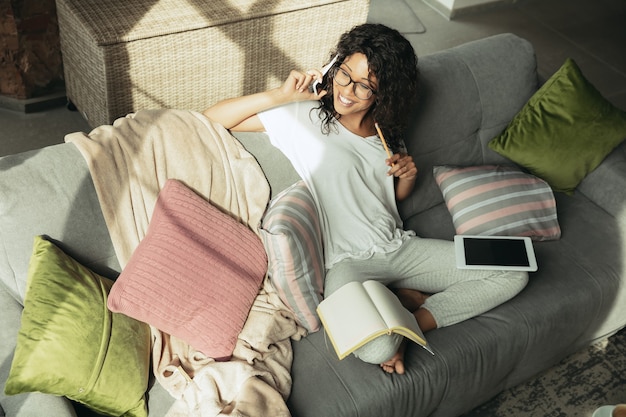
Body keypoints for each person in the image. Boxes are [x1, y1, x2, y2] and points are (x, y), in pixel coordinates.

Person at [203, 23, 528, 374]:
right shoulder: (304, 116)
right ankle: (397, 306)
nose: (347, 90)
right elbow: (211, 118)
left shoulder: (388, 134)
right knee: (377, 348)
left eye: (365, 85)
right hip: (346, 264)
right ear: (335, 66)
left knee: (514, 268)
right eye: (344, 74)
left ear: (384, 94)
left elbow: (389, 200)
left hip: (400, 248)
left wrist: (407, 177)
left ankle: (411, 314)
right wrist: (281, 96)